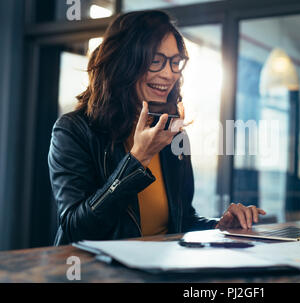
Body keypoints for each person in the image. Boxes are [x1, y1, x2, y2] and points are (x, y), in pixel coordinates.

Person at [48, 10, 266, 245]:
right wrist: (138, 159)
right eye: (155, 61)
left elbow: (181, 220)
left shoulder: (173, 135)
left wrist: (219, 225)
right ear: (124, 63)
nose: (169, 73)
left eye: (174, 62)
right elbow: (76, 228)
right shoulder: (72, 130)